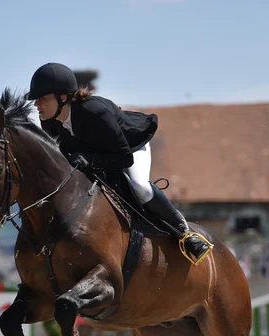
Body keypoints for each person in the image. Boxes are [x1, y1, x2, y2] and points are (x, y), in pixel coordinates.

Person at [26, 62, 213, 265]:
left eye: (42, 99)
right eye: (36, 100)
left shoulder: (94, 112)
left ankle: (184, 233)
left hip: (130, 147)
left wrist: (89, 160)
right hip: (98, 156)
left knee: (139, 186)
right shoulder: (48, 122)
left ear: (62, 97)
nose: (37, 105)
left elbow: (124, 159)